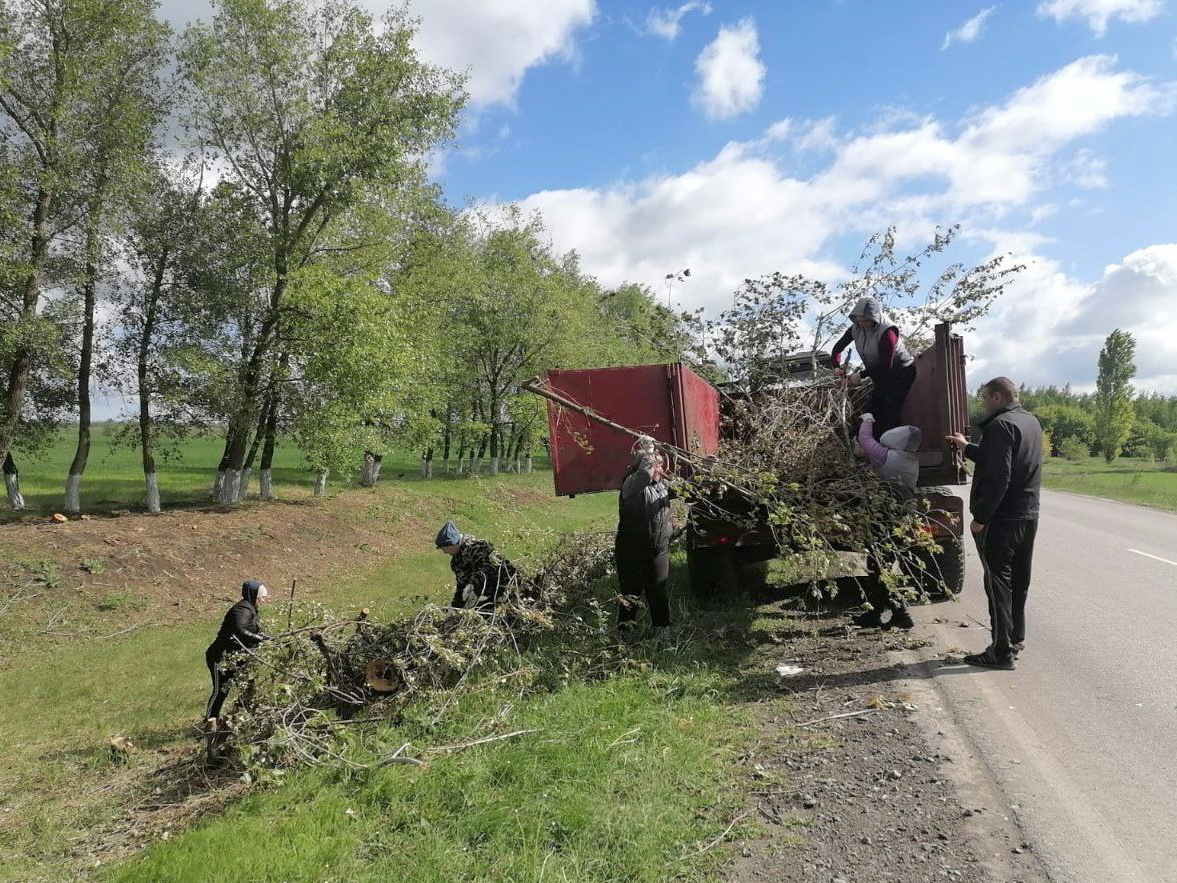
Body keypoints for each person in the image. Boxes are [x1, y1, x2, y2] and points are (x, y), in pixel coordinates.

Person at [947, 377, 1043, 671]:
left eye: (986, 398)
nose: (984, 403)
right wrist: (968, 447)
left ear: (997, 397)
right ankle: (1015, 640)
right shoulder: (1029, 422)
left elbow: (999, 476)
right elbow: (1004, 460)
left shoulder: (1001, 425)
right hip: (1028, 516)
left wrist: (981, 519)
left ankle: (1001, 653)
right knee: (1018, 583)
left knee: (998, 585)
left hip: (1002, 520)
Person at [853, 413, 918, 630]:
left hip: (887, 517)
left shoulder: (890, 457)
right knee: (880, 563)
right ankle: (875, 613)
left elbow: (865, 440)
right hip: (899, 515)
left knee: (879, 565)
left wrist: (868, 420)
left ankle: (901, 613)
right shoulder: (909, 458)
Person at [831, 297, 917, 435]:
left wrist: (860, 375)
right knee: (871, 412)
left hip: (900, 373)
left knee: (889, 415)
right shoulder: (856, 328)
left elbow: (885, 367)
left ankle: (887, 450)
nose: (863, 324)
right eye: (859, 321)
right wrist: (836, 367)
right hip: (879, 376)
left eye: (866, 320)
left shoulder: (887, 332)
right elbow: (837, 349)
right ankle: (867, 445)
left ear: (874, 317)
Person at [615, 450, 675, 640]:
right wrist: (650, 454)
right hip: (631, 552)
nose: (662, 468)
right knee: (630, 596)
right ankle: (625, 636)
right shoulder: (631, 484)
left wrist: (706, 468)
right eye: (659, 464)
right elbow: (643, 476)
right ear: (645, 465)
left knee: (658, 593)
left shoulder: (662, 486)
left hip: (657, 550)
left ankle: (663, 635)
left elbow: (688, 490)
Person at [205, 579, 270, 724]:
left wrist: (266, 637)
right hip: (221, 657)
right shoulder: (242, 610)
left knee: (247, 686)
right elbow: (239, 630)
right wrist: (258, 638)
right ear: (253, 596)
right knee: (221, 690)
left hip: (238, 657)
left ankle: (242, 718)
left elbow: (252, 629)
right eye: (261, 598)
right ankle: (209, 720)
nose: (263, 601)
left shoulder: (251, 609)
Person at [436, 520, 519, 609]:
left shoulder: (477, 546)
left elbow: (487, 570)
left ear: (451, 544)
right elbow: (461, 585)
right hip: (492, 593)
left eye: (444, 548)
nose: (444, 552)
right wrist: (456, 607)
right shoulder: (456, 562)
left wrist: (473, 587)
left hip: (508, 585)